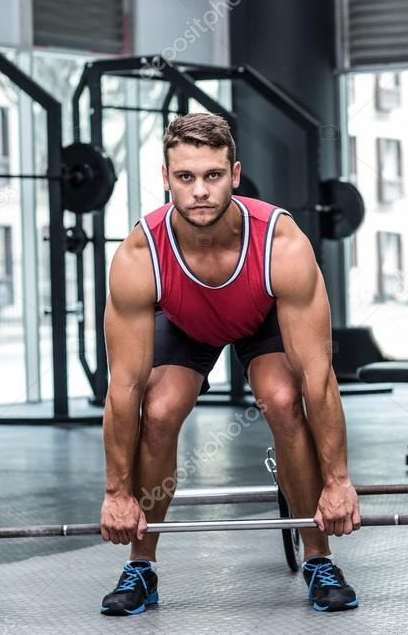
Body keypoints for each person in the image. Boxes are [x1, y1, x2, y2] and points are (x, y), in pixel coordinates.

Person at [99, 113, 360, 615]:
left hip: (261, 318)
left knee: (284, 401)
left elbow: (318, 380)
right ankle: (141, 566)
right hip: (185, 323)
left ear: (235, 175)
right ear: (166, 178)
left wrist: (338, 481)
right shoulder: (139, 253)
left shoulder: (281, 243)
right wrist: (116, 491)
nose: (200, 190)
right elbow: (123, 388)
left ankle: (318, 559)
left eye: (213, 176)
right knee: (156, 412)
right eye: (186, 177)